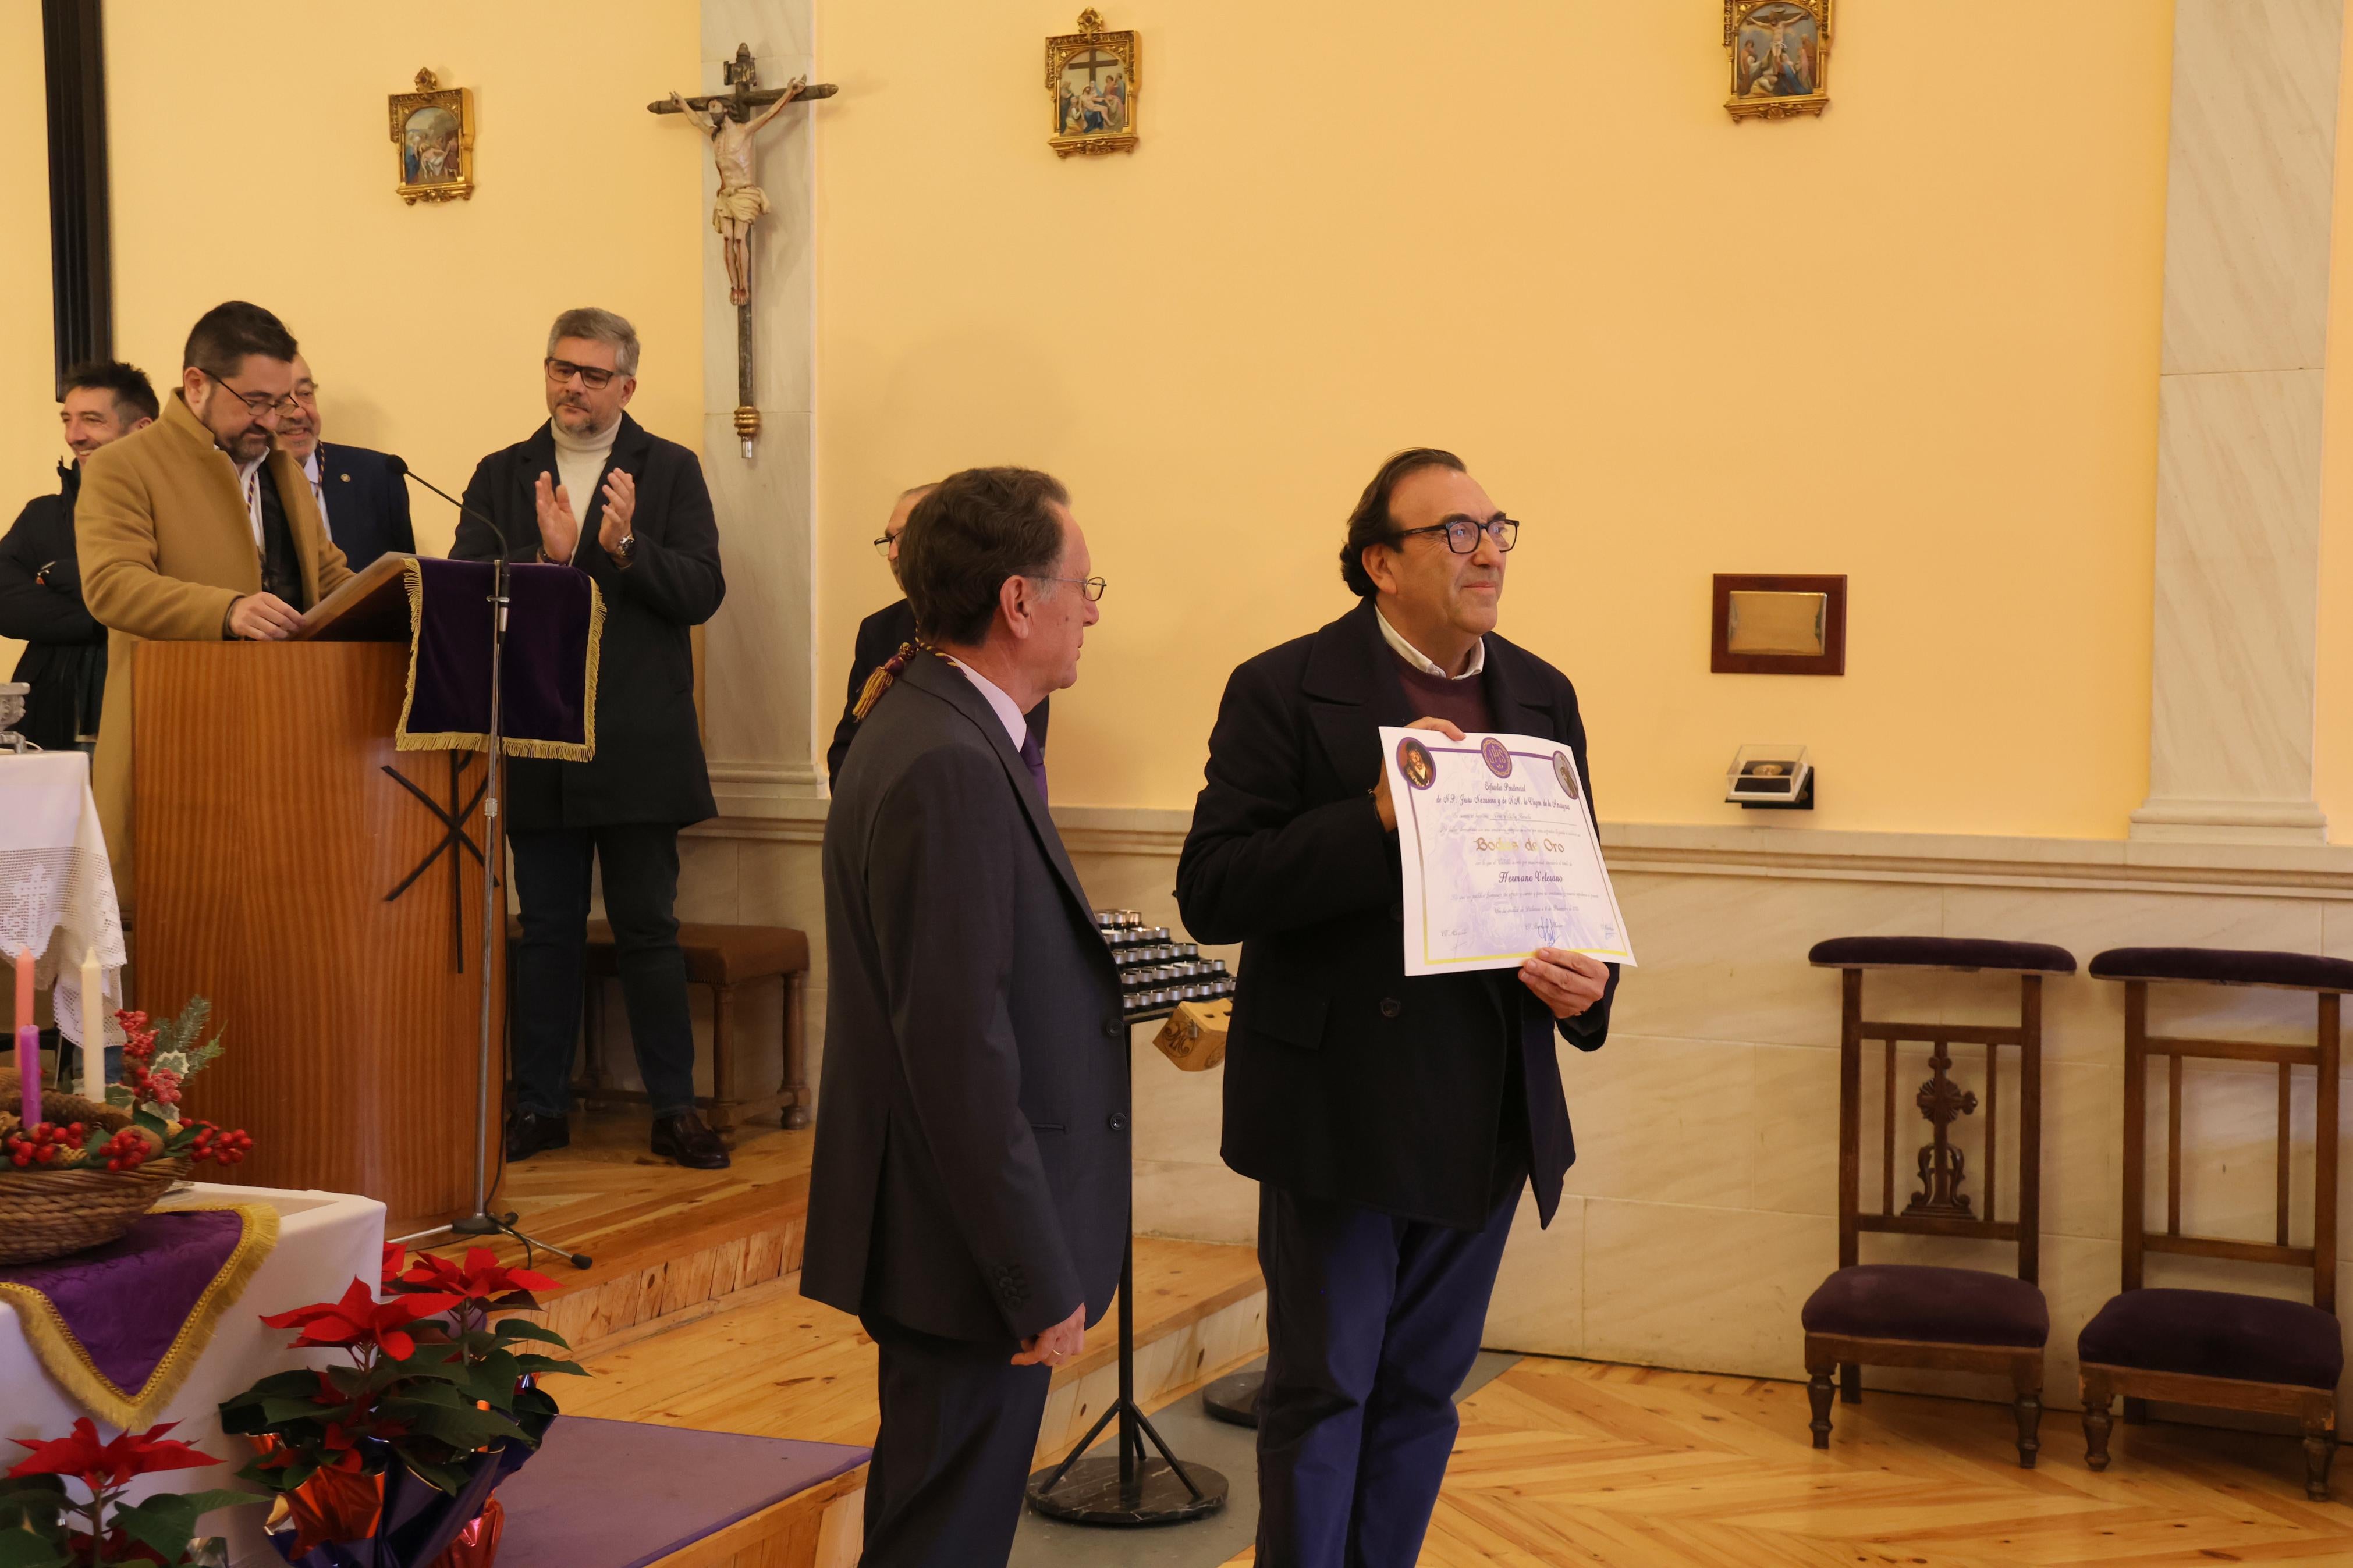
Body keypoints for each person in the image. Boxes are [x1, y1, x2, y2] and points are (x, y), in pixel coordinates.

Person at [1176, 447, 1620, 1568]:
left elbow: (1570, 886)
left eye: (1496, 528)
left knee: (1423, 1390)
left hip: (1487, 1107)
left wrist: (1591, 986)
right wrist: (1372, 818)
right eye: (1455, 533)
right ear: (1381, 562)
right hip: (1342, 1105)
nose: (1487, 554)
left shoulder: (1540, 692)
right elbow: (1213, 889)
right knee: (1323, 1388)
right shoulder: (1281, 686)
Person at [801, 467, 1123, 1567]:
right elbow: (956, 1051)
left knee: (938, 1519)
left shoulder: (940, 721)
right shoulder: (946, 758)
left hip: (951, 1237)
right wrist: (1032, 1275)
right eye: (1082, 586)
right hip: (962, 1249)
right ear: (1017, 602)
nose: (1089, 610)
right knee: (943, 1534)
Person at [452, 307, 730, 1173]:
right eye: (561, 368)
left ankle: (674, 1108)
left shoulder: (670, 468)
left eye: (593, 374)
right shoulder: (504, 473)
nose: (572, 386)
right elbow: (467, 589)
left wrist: (622, 547)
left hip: (638, 741)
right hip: (540, 736)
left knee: (649, 928)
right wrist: (547, 563)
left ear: (626, 387)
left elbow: (703, 591)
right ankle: (539, 1105)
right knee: (548, 930)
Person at [78, 302, 352, 904]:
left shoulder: (283, 471)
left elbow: (332, 581)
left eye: (284, 400)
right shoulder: (125, 467)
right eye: (255, 400)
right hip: (177, 750)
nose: (275, 418)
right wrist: (226, 611)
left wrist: (419, 598)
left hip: (288, 749)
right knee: (178, 950)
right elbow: (112, 584)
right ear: (196, 384)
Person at [824, 482, 1051, 788]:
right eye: (888, 540)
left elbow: (1019, 754)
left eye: (903, 538)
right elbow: (847, 750)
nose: (892, 554)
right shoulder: (879, 630)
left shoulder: (1001, 626)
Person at [0, 362, 157, 752]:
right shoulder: (41, 516)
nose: (74, 436)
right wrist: (111, 614)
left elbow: (179, 599)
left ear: (142, 430)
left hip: (148, 714)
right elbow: (6, 605)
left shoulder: (175, 512)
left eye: (91, 420)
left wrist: (69, 584)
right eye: (68, 420)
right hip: (46, 725)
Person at [274, 355, 415, 572]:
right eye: (280, 400)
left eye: (305, 394)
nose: (299, 412)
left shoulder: (378, 475)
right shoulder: (238, 480)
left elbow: (407, 589)